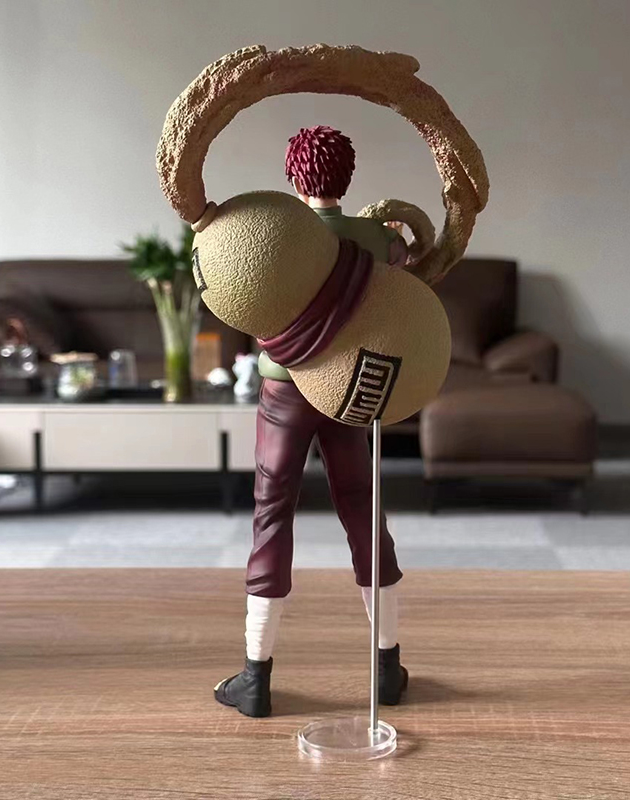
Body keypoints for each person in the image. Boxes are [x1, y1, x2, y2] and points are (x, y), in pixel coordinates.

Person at [214, 126, 409, 718]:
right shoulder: (378, 238)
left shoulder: (275, 233)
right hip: (348, 388)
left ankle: (256, 677)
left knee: (271, 516)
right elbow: (406, 282)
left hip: (285, 390)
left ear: (293, 175)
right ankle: (387, 668)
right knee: (363, 510)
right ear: (347, 175)